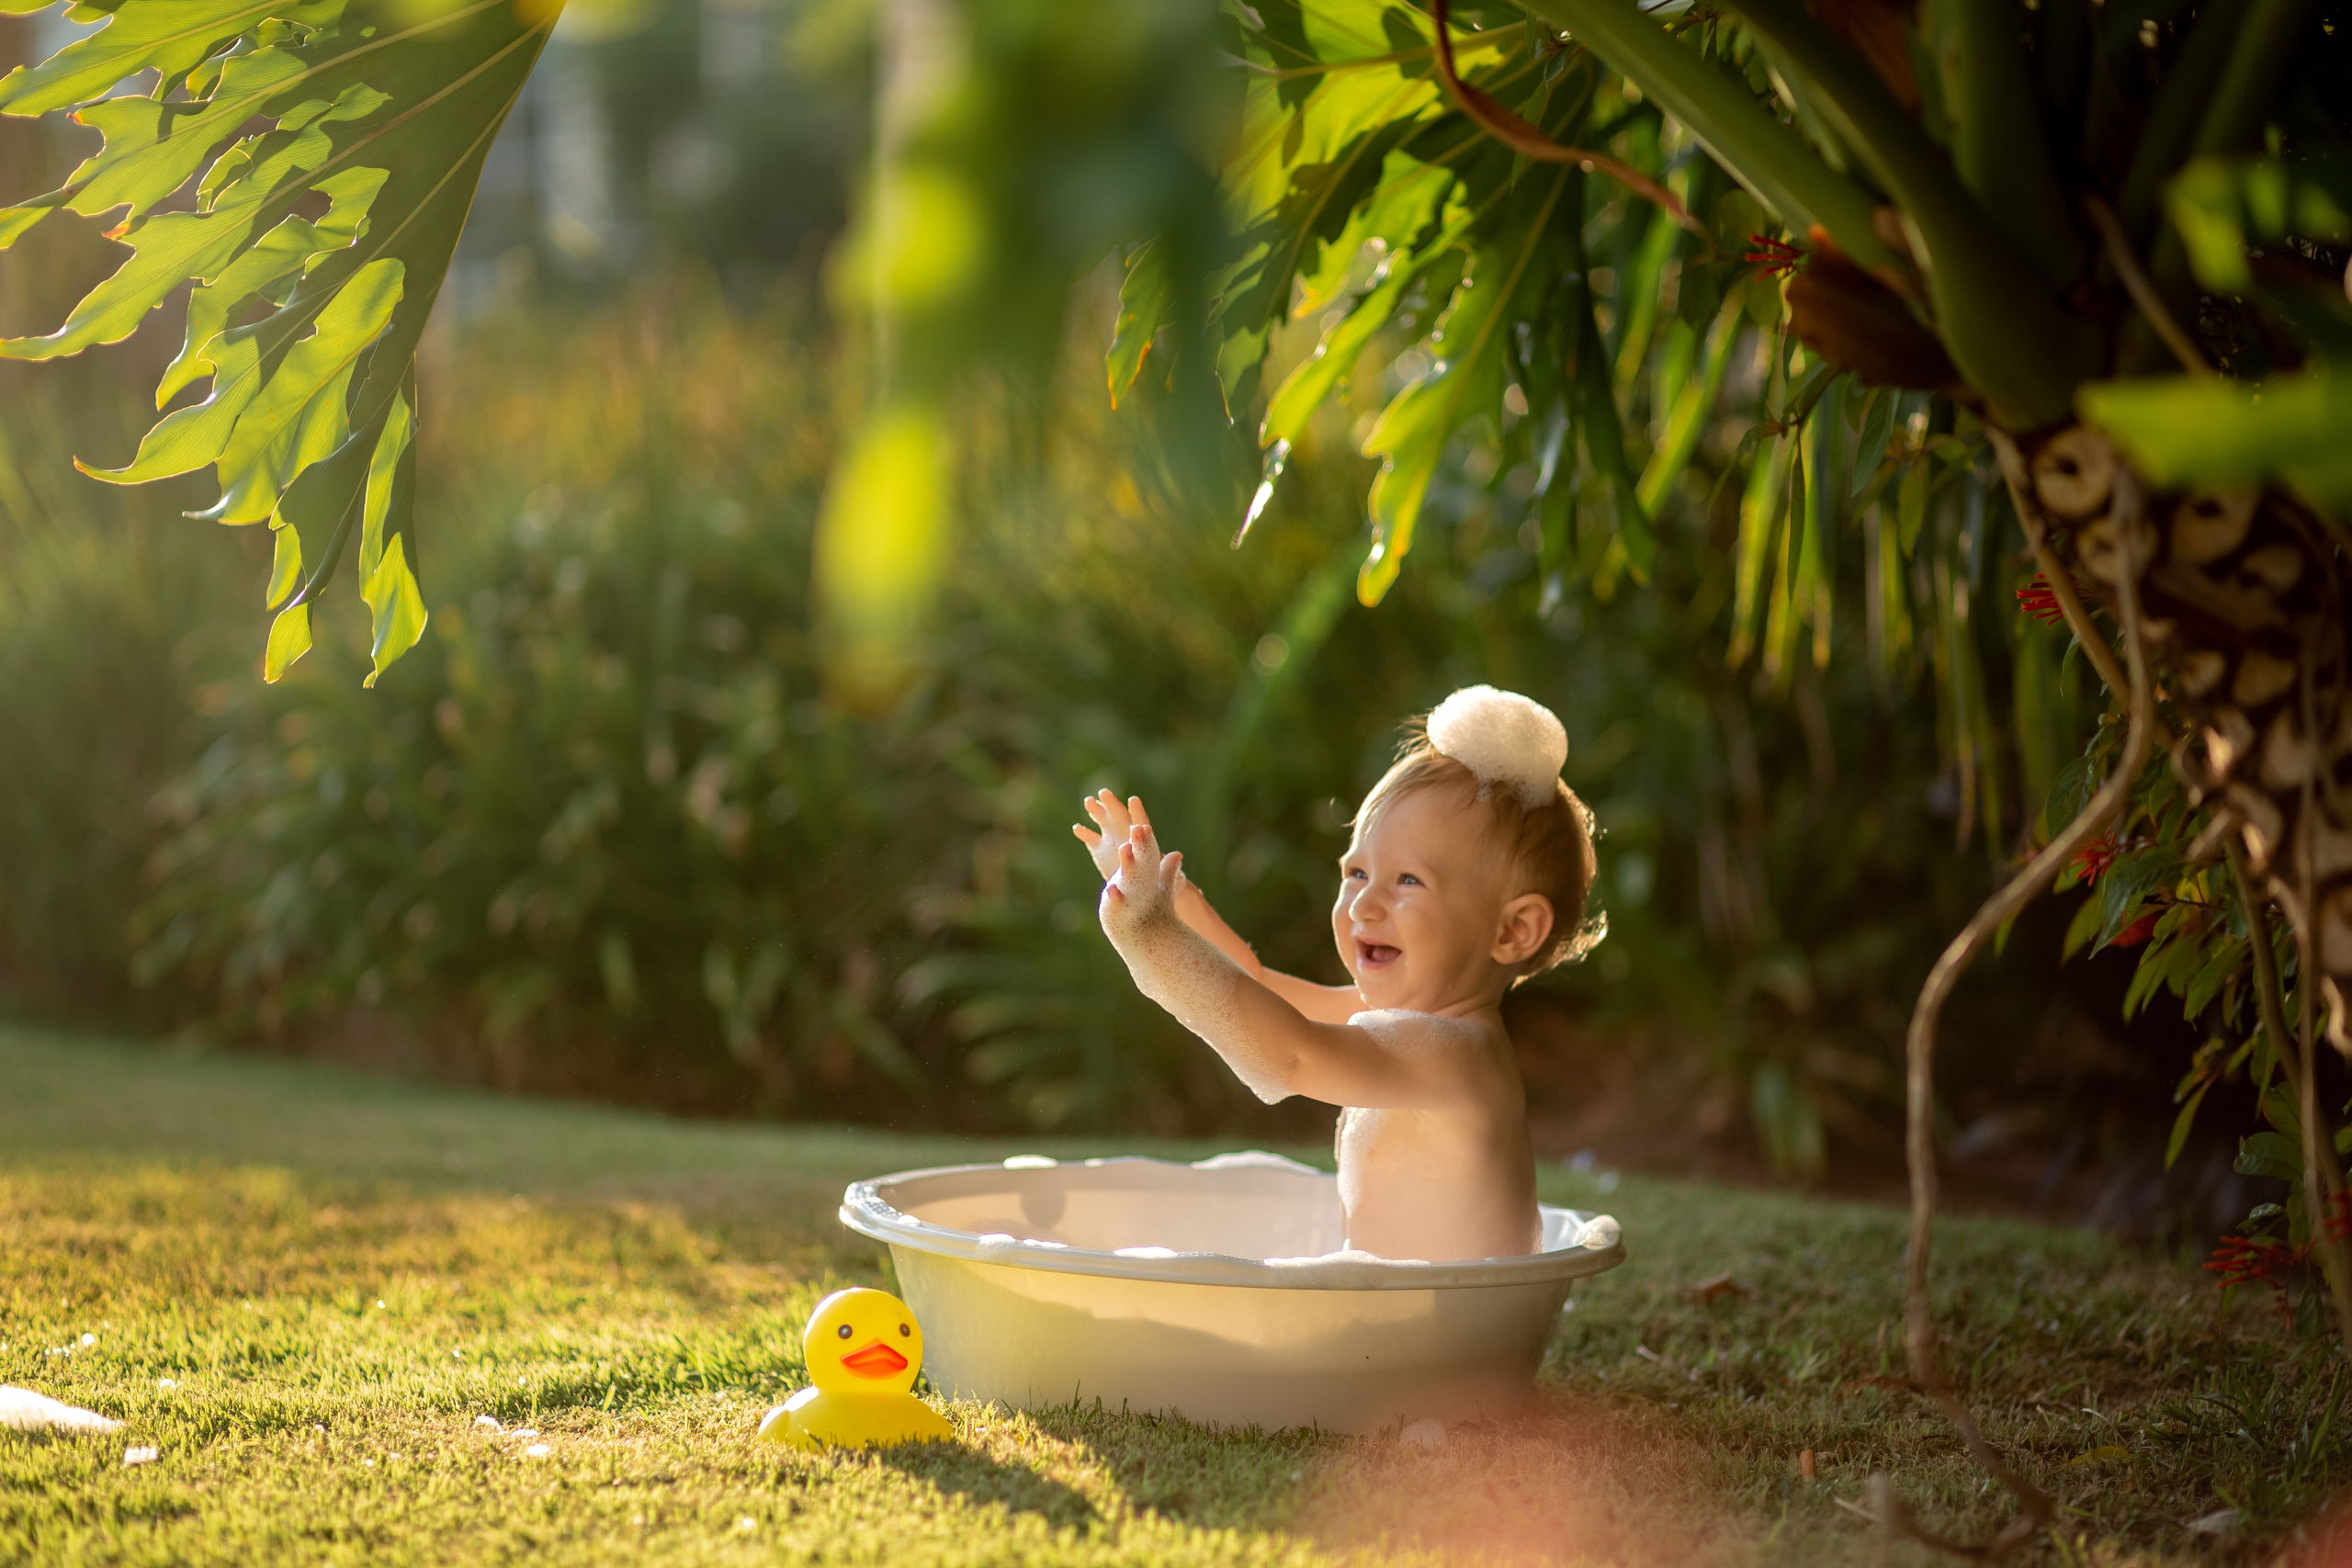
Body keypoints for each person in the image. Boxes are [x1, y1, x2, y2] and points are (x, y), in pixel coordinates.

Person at [1073, 686, 1600, 1263]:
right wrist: (1166, 895)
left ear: (1511, 931)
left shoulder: (1455, 1053)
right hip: (1408, 1329)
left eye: (1408, 881)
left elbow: (1289, 1055)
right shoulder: (1410, 1027)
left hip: (1443, 1335)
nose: (1363, 905)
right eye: (1356, 871)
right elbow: (1257, 984)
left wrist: (1151, 935)